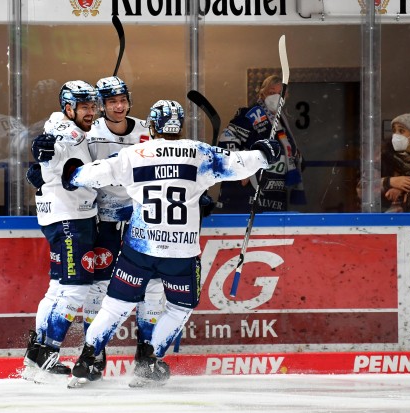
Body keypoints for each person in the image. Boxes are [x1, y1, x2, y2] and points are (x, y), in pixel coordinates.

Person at [60, 99, 281, 388]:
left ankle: (87, 361)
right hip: (181, 252)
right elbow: (238, 165)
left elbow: (92, 174)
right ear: (180, 126)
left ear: (152, 126)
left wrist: (72, 173)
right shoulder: (199, 152)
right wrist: (264, 153)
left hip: (139, 248)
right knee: (179, 308)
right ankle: (149, 361)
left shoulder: (134, 154)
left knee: (115, 307)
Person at [21, 80, 100, 382]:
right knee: (77, 288)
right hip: (69, 220)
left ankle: (36, 356)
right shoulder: (67, 132)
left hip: (64, 217)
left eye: (93, 106)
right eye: (84, 107)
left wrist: (40, 166)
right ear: (69, 108)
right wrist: (42, 155)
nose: (91, 112)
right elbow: (51, 148)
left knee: (58, 288)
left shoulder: (70, 128)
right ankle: (47, 353)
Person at [85, 75, 163, 371]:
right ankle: (93, 352)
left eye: (123, 100)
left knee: (152, 284)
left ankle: (146, 353)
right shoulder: (89, 132)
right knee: (100, 285)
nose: (120, 106)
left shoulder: (147, 130)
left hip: (143, 219)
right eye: (112, 102)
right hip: (103, 220)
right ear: (102, 105)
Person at [217, 74, 305, 213]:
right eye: (271, 93)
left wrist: (297, 160)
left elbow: (290, 153)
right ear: (262, 93)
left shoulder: (283, 122)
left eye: (280, 93)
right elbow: (227, 139)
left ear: (286, 96)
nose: (276, 97)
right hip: (248, 196)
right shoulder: (248, 115)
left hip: (275, 195)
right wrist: (240, 167)